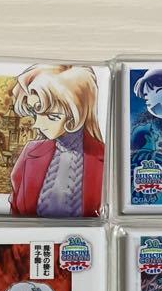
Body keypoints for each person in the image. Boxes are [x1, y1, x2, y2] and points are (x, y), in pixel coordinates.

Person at [10, 65, 104, 217]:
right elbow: (15, 208)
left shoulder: (105, 158)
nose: (37, 124)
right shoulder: (31, 151)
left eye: (52, 116)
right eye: (34, 113)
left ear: (76, 114)